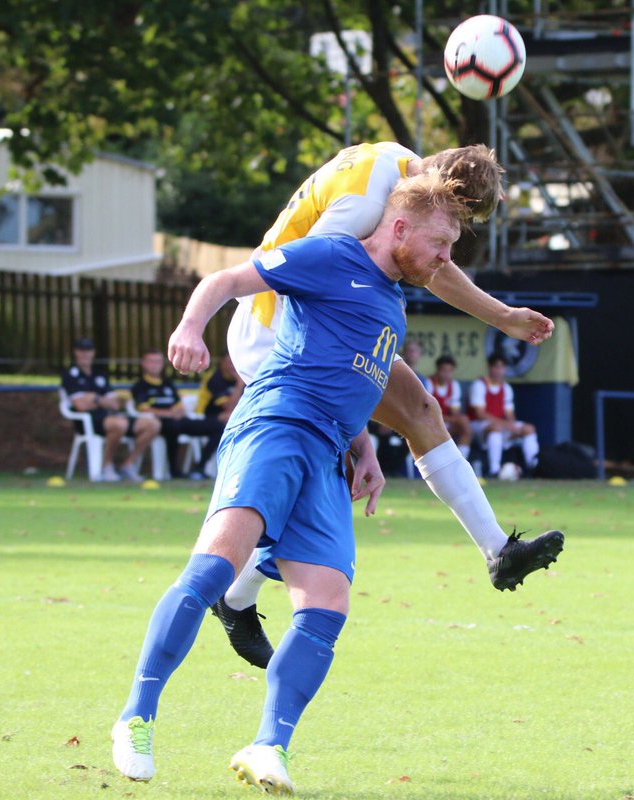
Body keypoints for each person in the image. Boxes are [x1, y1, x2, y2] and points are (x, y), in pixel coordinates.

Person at [111, 171, 465, 791]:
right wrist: (189, 327)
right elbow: (224, 281)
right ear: (399, 228)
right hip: (275, 426)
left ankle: (268, 746)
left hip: (327, 453)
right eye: (440, 243)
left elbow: (346, 377)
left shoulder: (393, 302)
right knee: (216, 567)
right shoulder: (330, 255)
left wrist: (364, 446)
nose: (446, 259)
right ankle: (135, 716)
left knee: (327, 602)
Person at [212, 142, 565, 669]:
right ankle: (233, 596)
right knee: (308, 490)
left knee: (422, 412)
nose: (448, 242)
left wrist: (502, 316)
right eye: (450, 224)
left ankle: (499, 550)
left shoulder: (399, 168)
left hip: (326, 330)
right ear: (441, 189)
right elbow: (315, 281)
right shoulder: (365, 198)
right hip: (278, 335)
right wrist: (352, 421)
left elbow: (427, 261)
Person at [60, 338, 159, 482]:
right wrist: (101, 400)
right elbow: (81, 406)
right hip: (89, 420)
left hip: (112, 416)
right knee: (119, 424)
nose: (85, 354)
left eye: (88, 350)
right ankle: (106, 465)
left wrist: (94, 398)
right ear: (76, 352)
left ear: (93, 352)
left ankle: (128, 464)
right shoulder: (70, 375)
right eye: (81, 350)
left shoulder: (99, 374)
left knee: (152, 425)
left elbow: (115, 404)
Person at [131, 349, 225, 479]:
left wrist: (178, 412)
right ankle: (174, 471)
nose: (154, 365)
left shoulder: (168, 383)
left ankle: (200, 468)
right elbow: (143, 409)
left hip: (178, 420)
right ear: (143, 364)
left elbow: (179, 405)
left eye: (157, 362)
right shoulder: (140, 385)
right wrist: (168, 414)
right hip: (159, 423)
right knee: (173, 427)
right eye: (151, 361)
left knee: (217, 427)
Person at [468, 352, 540, 477]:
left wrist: (512, 426)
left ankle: (534, 467)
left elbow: (509, 414)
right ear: (489, 367)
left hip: (501, 425)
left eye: (501, 367)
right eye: (496, 367)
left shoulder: (506, 388)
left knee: (529, 429)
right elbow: (480, 414)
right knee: (495, 429)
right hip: (478, 426)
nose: (498, 371)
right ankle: (494, 470)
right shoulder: (479, 385)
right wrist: (505, 425)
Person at [424, 354, 473, 459]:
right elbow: (427, 412)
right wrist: (453, 419)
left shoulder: (454, 385)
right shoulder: (428, 383)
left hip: (445, 423)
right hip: (430, 423)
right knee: (462, 421)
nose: (446, 374)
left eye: (449, 371)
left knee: (465, 425)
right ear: (437, 370)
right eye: (444, 371)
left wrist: (457, 419)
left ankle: (461, 459)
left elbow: (455, 412)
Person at [195, 352, 243, 425]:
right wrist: (240, 383)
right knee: (231, 417)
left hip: (225, 415)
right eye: (230, 362)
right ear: (222, 362)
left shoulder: (240, 377)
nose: (233, 366)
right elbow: (229, 407)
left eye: (235, 362)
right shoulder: (214, 378)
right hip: (204, 417)